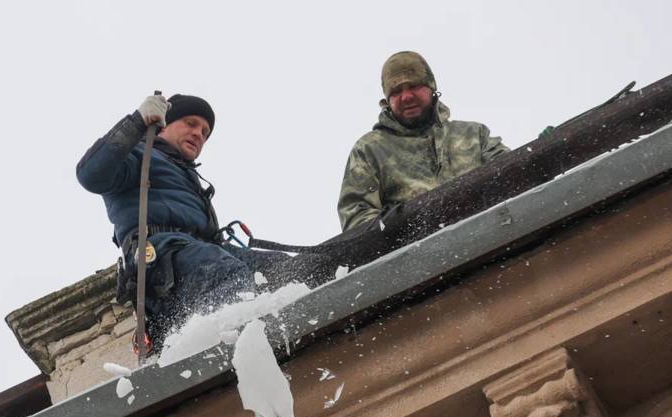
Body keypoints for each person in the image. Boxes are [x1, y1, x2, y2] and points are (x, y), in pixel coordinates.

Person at [77, 93, 286, 342]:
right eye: (190, 123)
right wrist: (138, 122)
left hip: (202, 251)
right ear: (164, 125)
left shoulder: (187, 176)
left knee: (279, 268)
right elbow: (91, 174)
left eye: (205, 132)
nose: (199, 134)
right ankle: (224, 345)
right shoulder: (138, 157)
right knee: (222, 272)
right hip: (162, 256)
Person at [337, 51, 509, 231]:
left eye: (413, 86)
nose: (406, 97)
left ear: (431, 88)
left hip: (492, 236)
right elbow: (356, 218)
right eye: (396, 91)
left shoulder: (474, 134)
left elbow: (511, 174)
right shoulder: (370, 150)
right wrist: (403, 226)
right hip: (420, 248)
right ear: (387, 101)